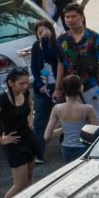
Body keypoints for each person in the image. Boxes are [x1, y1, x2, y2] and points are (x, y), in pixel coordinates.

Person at [0, 67, 38, 198]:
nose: (25, 86)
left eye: (27, 83)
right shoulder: (2, 99)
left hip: (28, 139)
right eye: (21, 83)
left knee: (29, 178)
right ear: (10, 83)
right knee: (19, 185)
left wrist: (30, 120)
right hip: (14, 144)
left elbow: (30, 105)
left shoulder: (25, 93)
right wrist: (1, 140)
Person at [55, 3, 99, 123]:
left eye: (74, 16)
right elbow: (60, 64)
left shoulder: (94, 37)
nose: (70, 20)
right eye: (67, 17)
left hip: (92, 85)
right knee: (78, 121)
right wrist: (58, 88)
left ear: (82, 17)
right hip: (70, 89)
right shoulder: (61, 40)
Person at [44, 73, 99, 162]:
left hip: (66, 149)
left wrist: (64, 129)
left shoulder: (57, 108)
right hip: (83, 148)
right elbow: (97, 133)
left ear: (64, 90)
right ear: (80, 88)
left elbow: (47, 136)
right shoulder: (88, 109)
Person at [29, 19, 61, 163]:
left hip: (57, 86)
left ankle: (67, 142)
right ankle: (38, 154)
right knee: (40, 121)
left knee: (63, 116)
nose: (43, 34)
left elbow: (49, 58)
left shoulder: (56, 45)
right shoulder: (36, 46)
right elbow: (34, 67)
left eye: (46, 31)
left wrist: (46, 42)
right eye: (40, 32)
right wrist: (39, 83)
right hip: (42, 87)